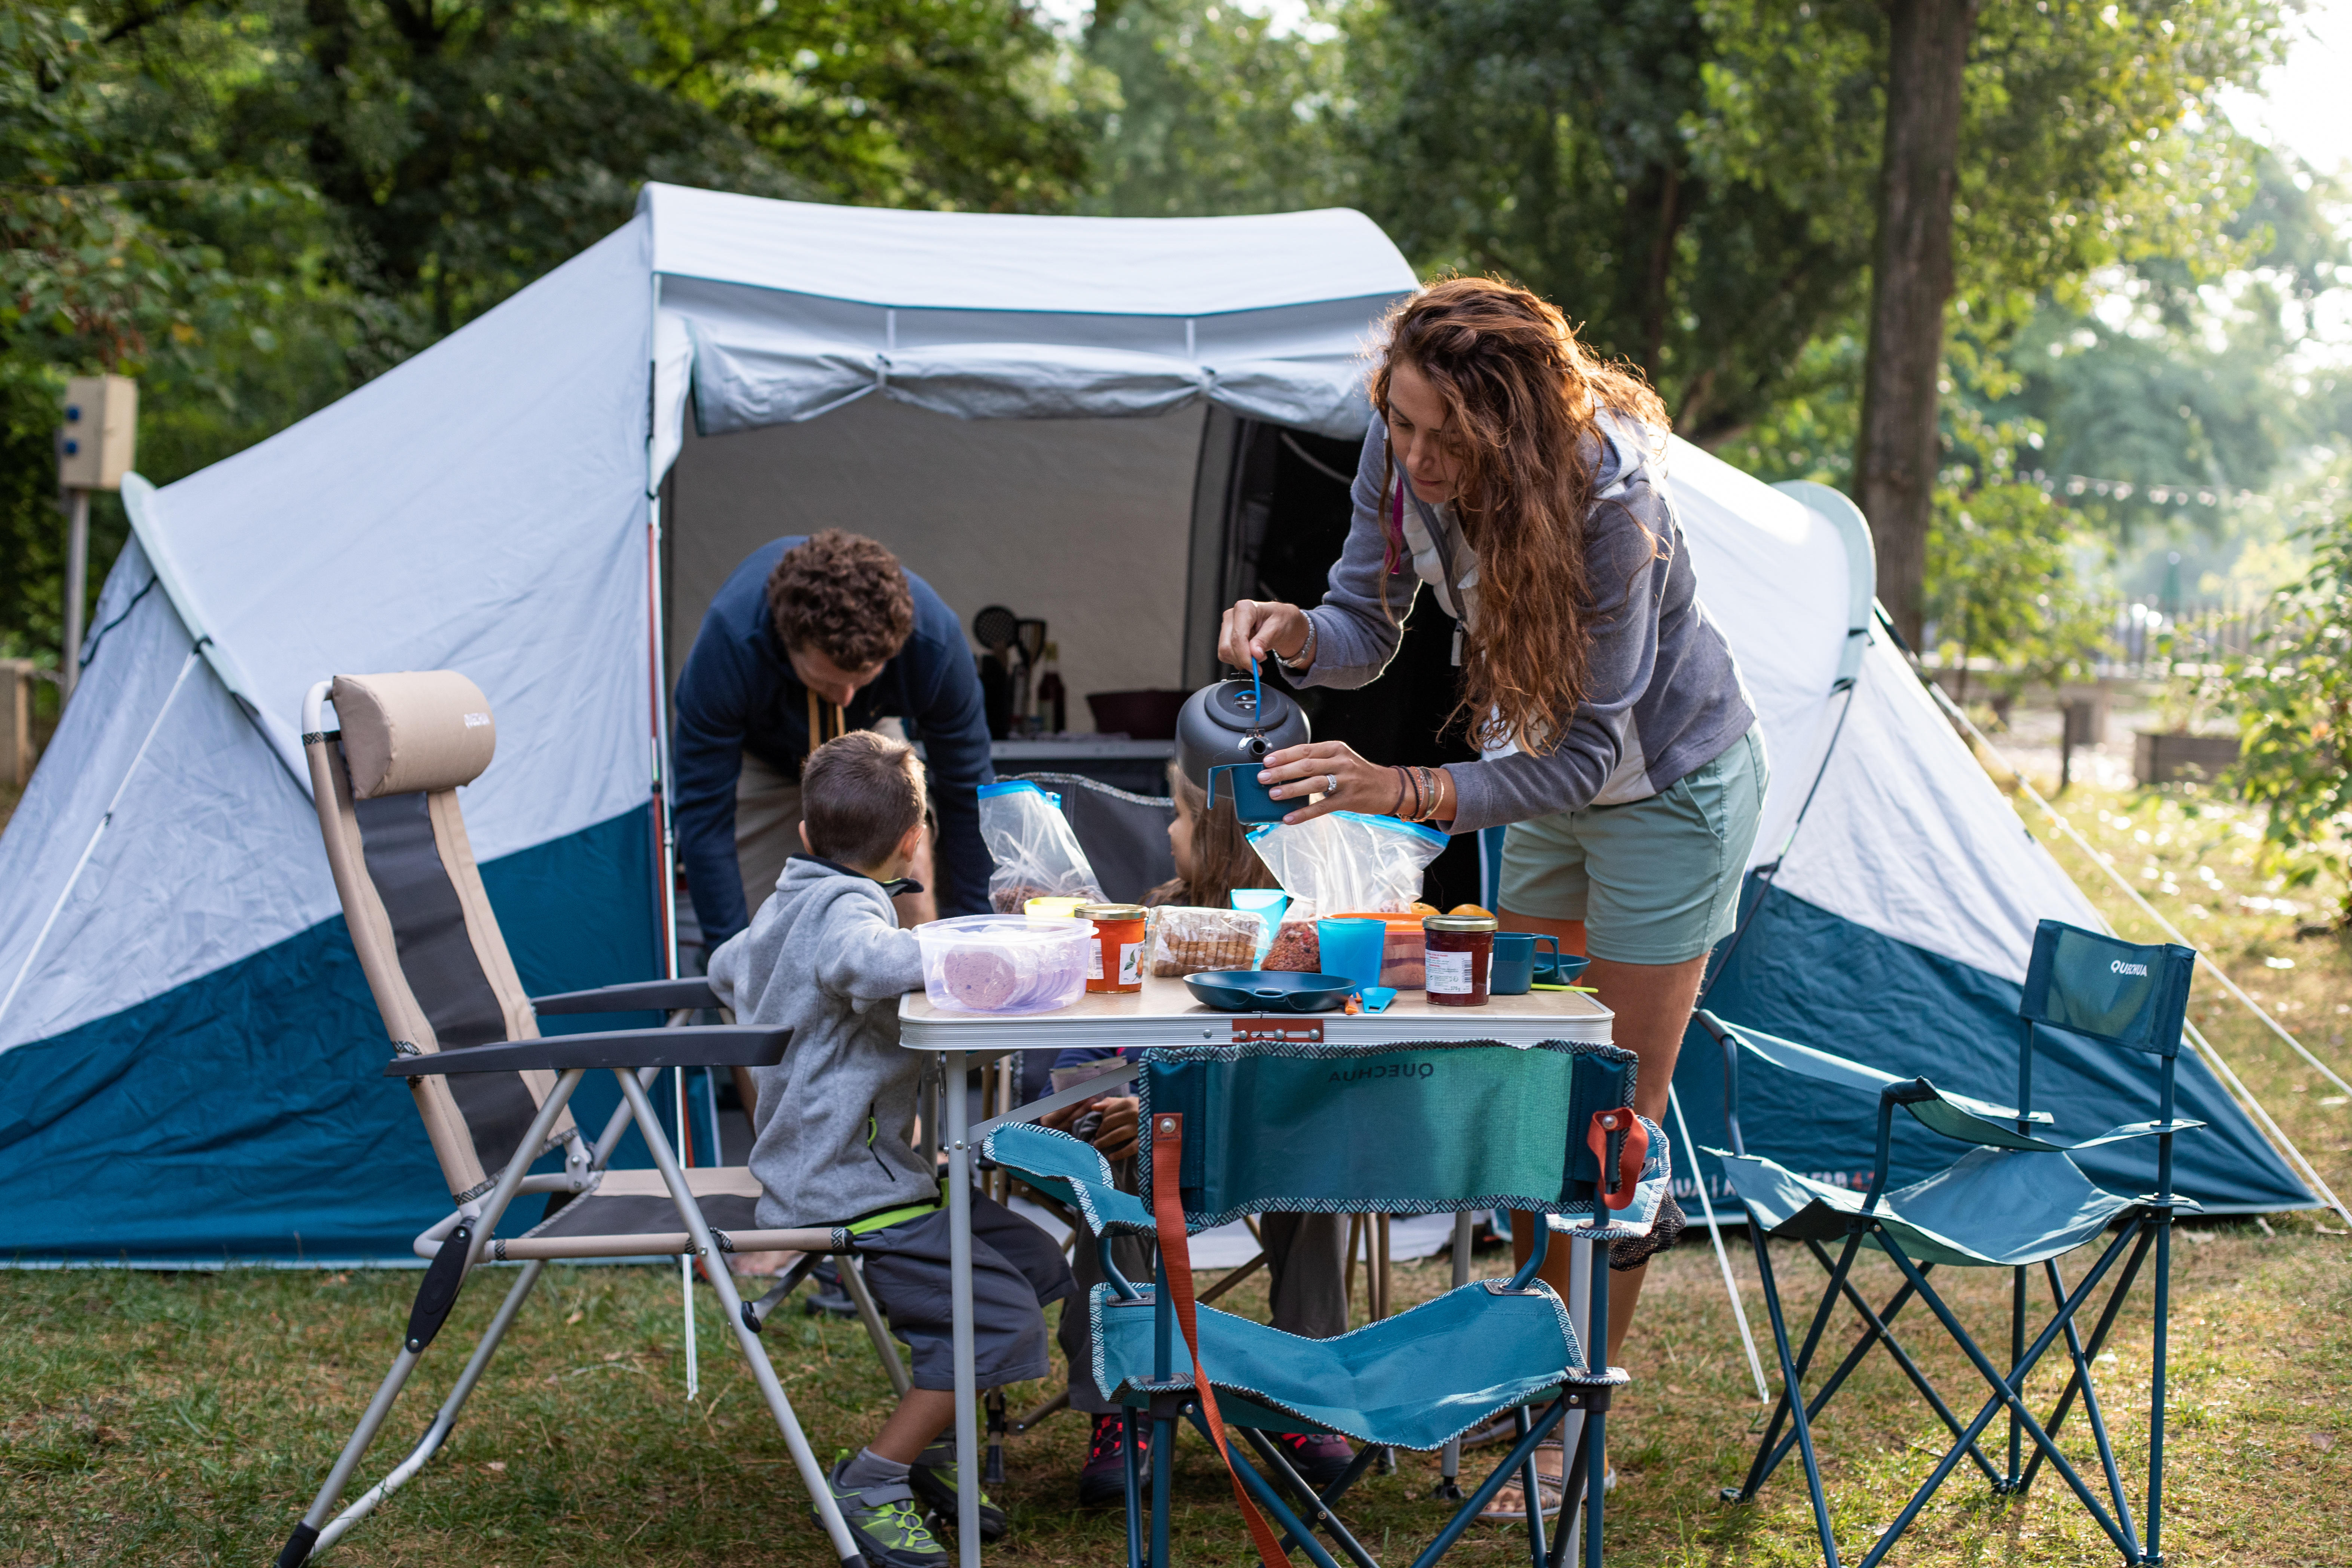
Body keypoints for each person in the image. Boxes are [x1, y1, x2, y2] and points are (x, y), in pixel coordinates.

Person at [1220, 276, 1767, 1514]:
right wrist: (1292, 633)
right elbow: (1364, 623)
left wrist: (1396, 786)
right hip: (1539, 775)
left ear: (1503, 425)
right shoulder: (1399, 449)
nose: (1407, 456)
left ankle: (1575, 1430)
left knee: (1606, 1117)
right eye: (1396, 424)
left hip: (1663, 788)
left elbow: (1589, 752)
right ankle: (1526, 1387)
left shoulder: (1611, 504)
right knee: (1526, 1081)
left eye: (1434, 436)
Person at [708, 731, 1072, 1568]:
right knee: (1000, 1315)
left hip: (871, 1170)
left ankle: (943, 1447)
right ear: (914, 842)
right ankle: (875, 1476)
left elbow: (731, 967)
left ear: (805, 834)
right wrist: (990, 948)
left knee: (1031, 1262)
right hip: (847, 1189)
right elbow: (864, 960)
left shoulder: (787, 897)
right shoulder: (848, 912)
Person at [1041, 764, 1357, 1504]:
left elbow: (1309, 1078)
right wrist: (1105, 1099)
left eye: (1181, 817)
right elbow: (1084, 1053)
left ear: (1224, 841)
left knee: (1315, 1161)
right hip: (1152, 1145)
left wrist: (1155, 1109)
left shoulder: (1306, 936)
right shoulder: (1149, 922)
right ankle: (1126, 1402)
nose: (1167, 830)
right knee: (1111, 1162)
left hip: (1259, 1139)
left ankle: (1299, 1392)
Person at [674, 530, 993, 958]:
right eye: (827, 681)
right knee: (761, 936)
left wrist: (977, 935)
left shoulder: (934, 640)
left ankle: (922, 992)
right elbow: (704, 815)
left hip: (872, 732)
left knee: (909, 863)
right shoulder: (731, 643)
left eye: (861, 679)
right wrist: (732, 958)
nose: (844, 697)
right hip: (760, 752)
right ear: (787, 644)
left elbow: (969, 790)